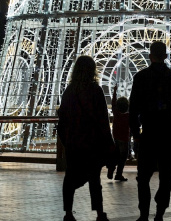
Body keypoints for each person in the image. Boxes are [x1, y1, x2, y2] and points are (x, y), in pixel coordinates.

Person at [129, 42, 171, 221]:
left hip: (149, 133)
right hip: (168, 135)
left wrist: (136, 133)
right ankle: (160, 212)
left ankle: (143, 214)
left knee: (143, 177)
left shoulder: (141, 77)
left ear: (150, 56)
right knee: (166, 176)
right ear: (166, 56)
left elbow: (133, 109)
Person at [57, 55, 115, 221]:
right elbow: (103, 120)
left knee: (70, 178)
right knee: (94, 180)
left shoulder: (69, 92)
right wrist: (108, 144)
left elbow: (63, 120)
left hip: (74, 144)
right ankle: (99, 213)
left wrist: (67, 141)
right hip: (92, 144)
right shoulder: (96, 91)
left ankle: (68, 213)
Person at [107, 84, 130, 181]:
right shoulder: (129, 116)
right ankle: (118, 174)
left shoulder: (116, 113)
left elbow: (113, 103)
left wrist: (115, 91)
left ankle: (111, 168)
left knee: (116, 156)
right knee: (123, 158)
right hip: (125, 139)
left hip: (116, 137)